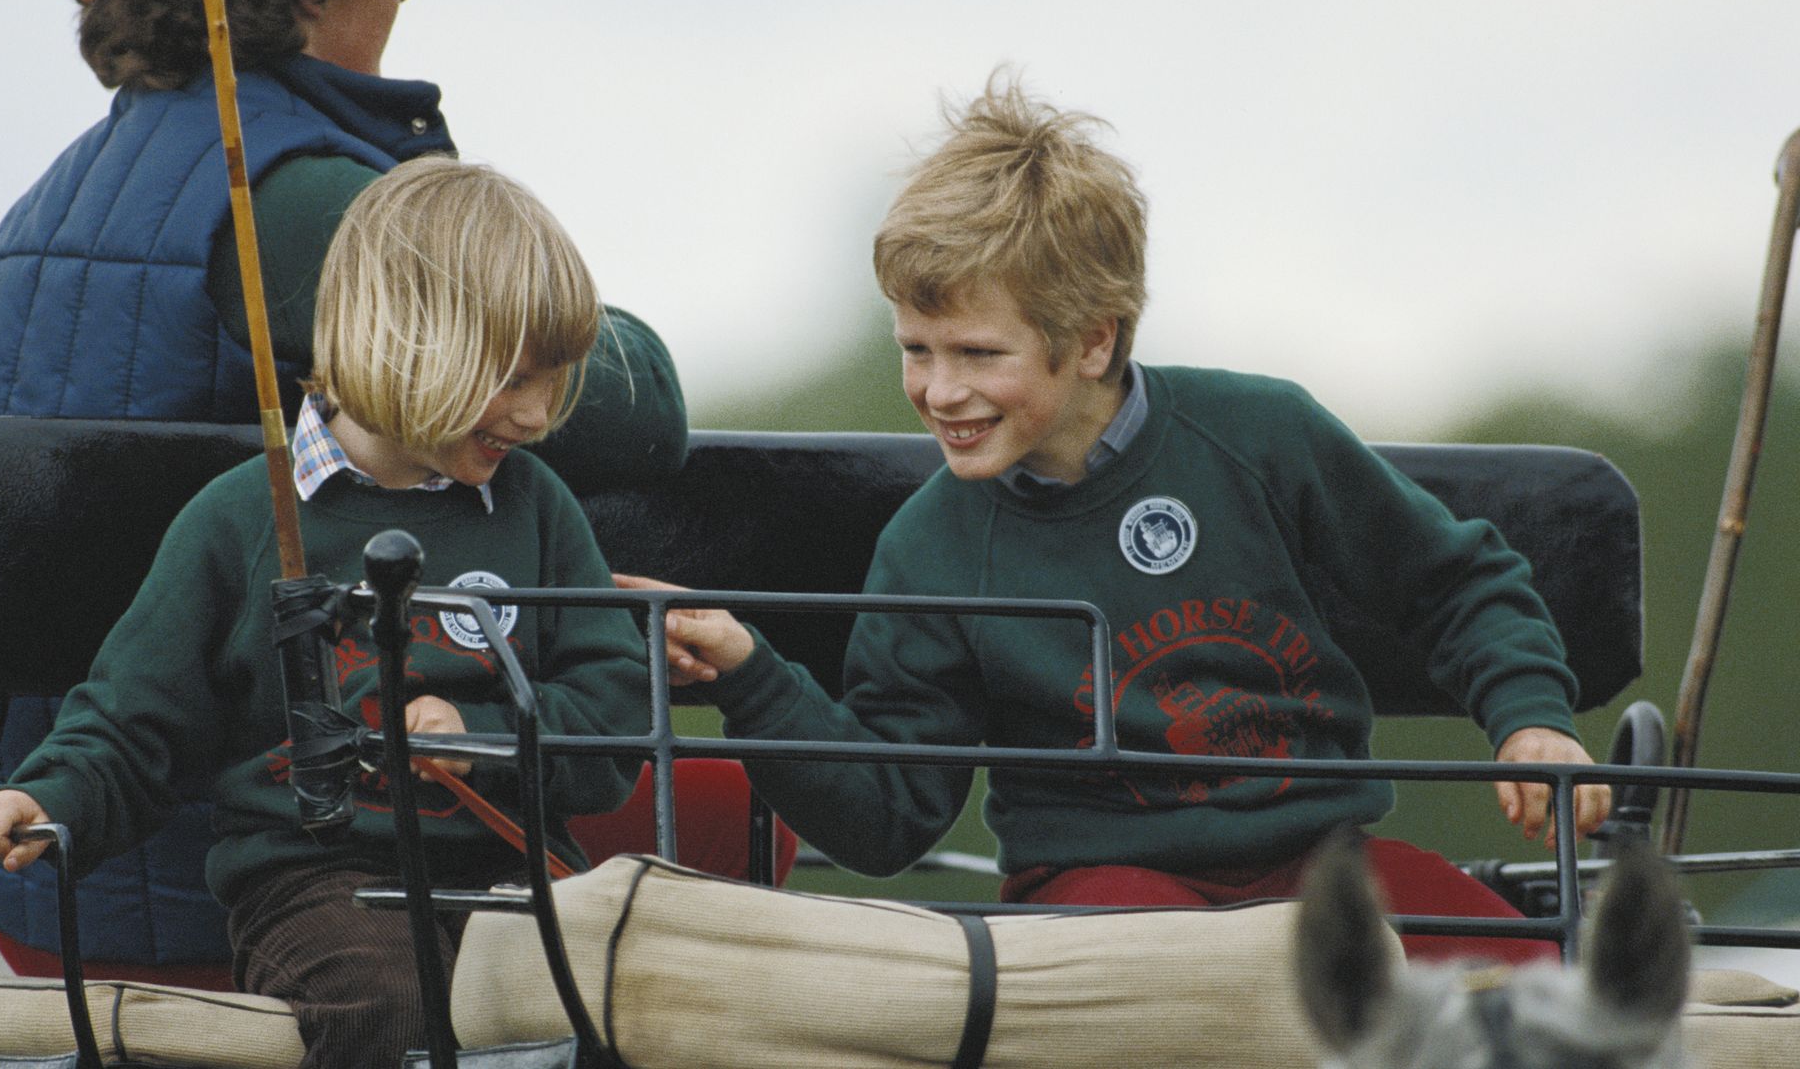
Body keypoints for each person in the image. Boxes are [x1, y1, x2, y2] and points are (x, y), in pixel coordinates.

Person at [620, 73, 1613, 965]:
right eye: (916, 350)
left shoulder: (1260, 437)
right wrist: (750, 673)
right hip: (1104, 896)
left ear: (1091, 341)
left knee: (1534, 988)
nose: (937, 390)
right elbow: (887, 820)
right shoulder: (933, 547)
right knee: (1158, 987)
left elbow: (1458, 583)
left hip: (1322, 865)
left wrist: (1531, 721)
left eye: (976, 353)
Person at [0, 0, 698, 985]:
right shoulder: (293, 192)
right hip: (241, 873)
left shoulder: (69, 188)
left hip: (67, 889)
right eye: (513, 377)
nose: (529, 414)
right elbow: (644, 416)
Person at [0, 158, 648, 1068]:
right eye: (511, 380)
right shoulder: (240, 517)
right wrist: (46, 797)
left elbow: (609, 723)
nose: (534, 416)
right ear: (403, 339)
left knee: (606, 1000)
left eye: (553, 382)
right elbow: (135, 724)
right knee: (391, 1004)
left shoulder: (540, 509)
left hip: (516, 876)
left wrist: (479, 736)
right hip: (315, 882)